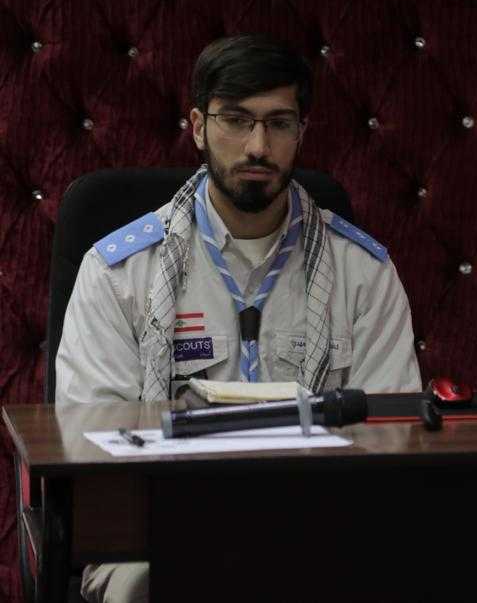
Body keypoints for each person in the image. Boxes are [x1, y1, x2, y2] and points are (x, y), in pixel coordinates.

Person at [55, 33, 422, 602]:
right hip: (154, 535)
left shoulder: (363, 273)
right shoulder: (118, 273)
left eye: (279, 123)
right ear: (198, 127)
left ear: (301, 132)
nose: (258, 146)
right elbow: (93, 450)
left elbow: (392, 443)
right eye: (236, 119)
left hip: (321, 532)